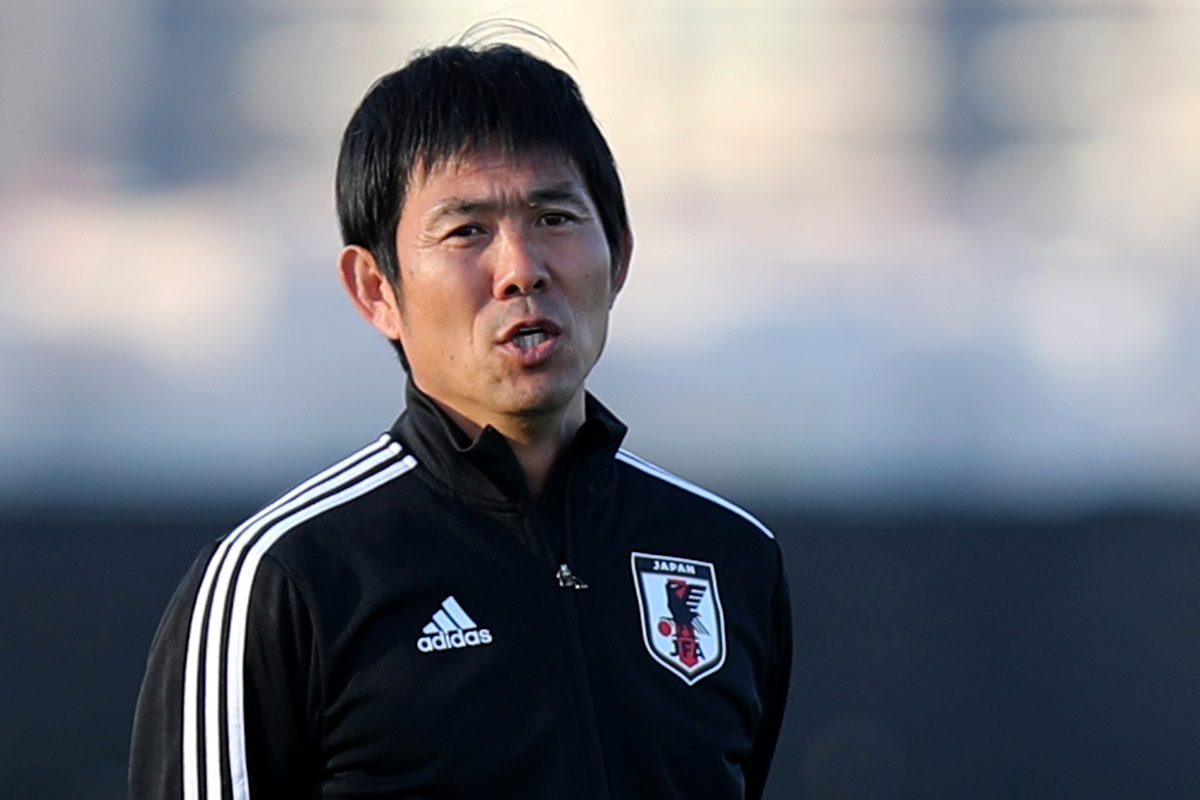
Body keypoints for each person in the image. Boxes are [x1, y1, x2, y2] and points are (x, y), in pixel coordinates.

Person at [130, 36, 792, 800]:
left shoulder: (729, 557)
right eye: (466, 231)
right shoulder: (285, 579)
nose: (521, 270)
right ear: (375, 289)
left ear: (619, 254)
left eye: (554, 217)